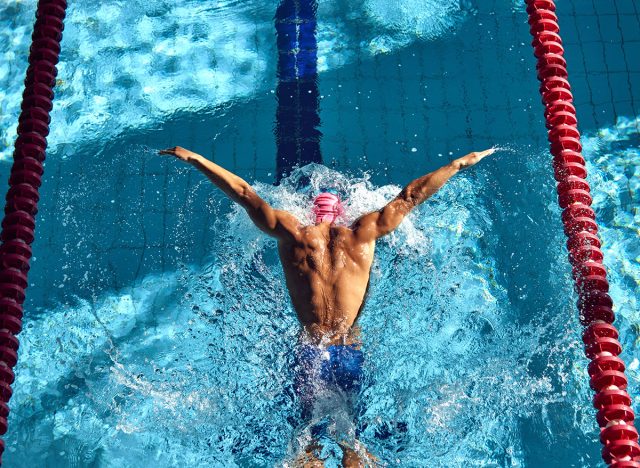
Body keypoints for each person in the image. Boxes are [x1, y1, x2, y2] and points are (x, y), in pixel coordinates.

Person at [158, 146, 495, 467]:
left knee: (308, 444)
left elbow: (245, 194)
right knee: (353, 443)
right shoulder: (362, 234)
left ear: (312, 214)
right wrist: (459, 164)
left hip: (310, 354)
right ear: (341, 215)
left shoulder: (294, 234)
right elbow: (410, 195)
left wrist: (196, 159)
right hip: (350, 352)